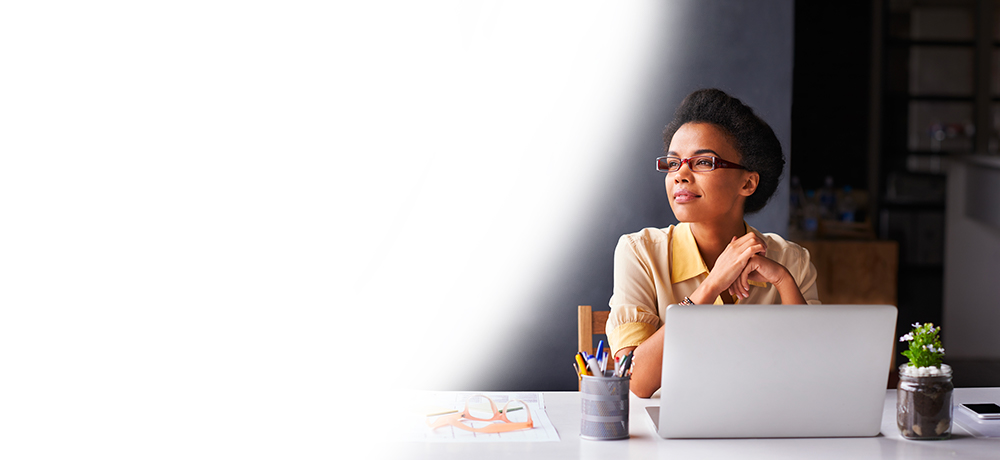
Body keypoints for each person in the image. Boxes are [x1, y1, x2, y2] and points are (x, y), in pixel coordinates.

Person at [606, 88, 821, 398]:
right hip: (668, 437)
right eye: (673, 163)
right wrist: (711, 286)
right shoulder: (640, 251)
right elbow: (636, 380)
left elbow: (815, 371)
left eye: (703, 162)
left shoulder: (791, 260)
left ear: (747, 182)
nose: (680, 175)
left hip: (768, 431)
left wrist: (783, 280)